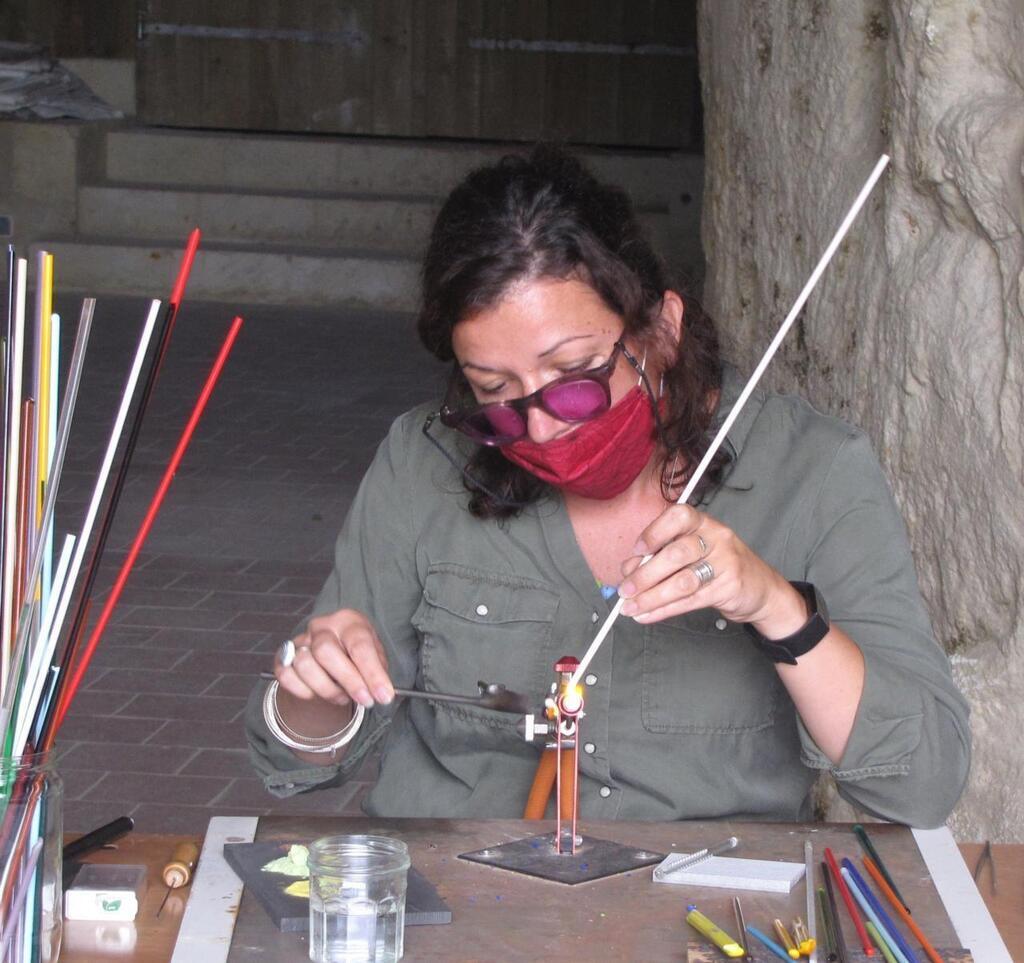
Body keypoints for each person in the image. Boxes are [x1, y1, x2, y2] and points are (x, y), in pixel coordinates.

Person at [246, 146, 970, 828]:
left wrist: (777, 607)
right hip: (461, 901)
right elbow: (297, 762)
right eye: (495, 393)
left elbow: (923, 784)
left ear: (660, 331)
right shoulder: (423, 459)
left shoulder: (813, 470)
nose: (542, 428)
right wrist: (318, 693)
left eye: (574, 379)